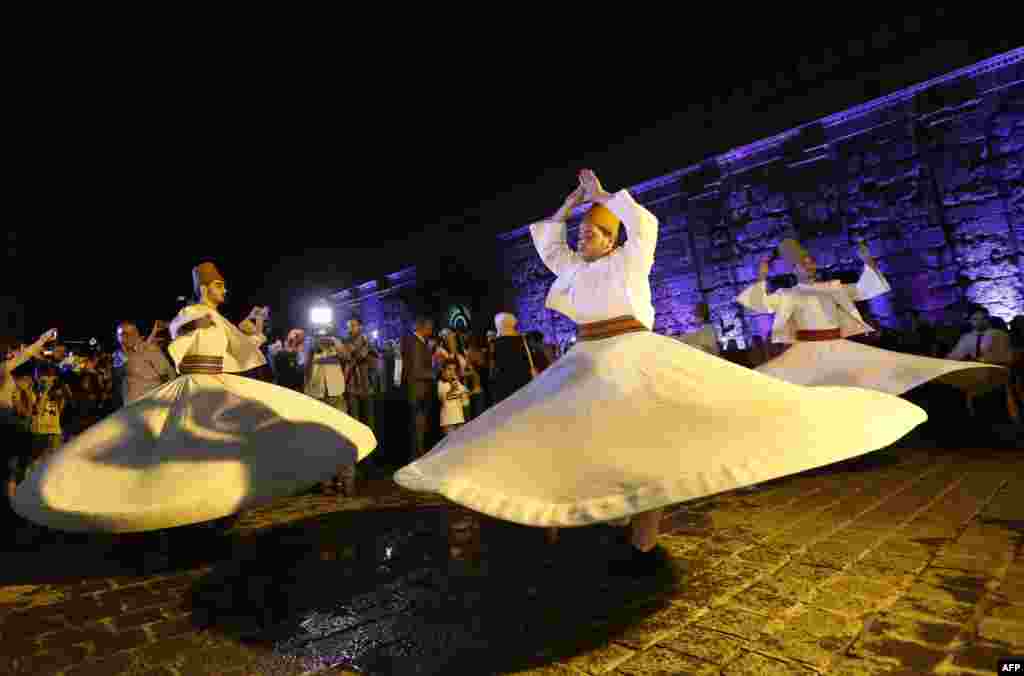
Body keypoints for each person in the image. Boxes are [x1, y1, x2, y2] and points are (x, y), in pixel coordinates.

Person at [395, 169, 926, 576]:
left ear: (611, 238)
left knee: (654, 442)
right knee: (570, 433)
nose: (583, 240)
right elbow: (550, 244)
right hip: (587, 361)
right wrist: (571, 205)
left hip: (633, 354)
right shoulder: (576, 268)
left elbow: (646, 224)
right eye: (582, 235)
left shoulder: (631, 259)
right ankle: (599, 511)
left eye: (593, 234)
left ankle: (643, 543)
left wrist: (605, 198)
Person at [12, 262, 377, 533]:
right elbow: (176, 329)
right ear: (207, 287)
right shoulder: (195, 312)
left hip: (218, 383)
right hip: (195, 386)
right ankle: (188, 516)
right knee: (189, 452)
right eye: (219, 286)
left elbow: (245, 344)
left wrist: (258, 326)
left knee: (234, 445)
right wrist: (194, 322)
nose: (224, 291)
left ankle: (221, 511)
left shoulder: (217, 318)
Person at [735, 239, 1006, 400]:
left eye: (811, 261)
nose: (810, 265)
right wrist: (761, 277)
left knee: (857, 387)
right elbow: (759, 303)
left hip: (837, 347)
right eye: (804, 262)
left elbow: (867, 288)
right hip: (806, 351)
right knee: (779, 386)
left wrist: (870, 263)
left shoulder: (834, 287)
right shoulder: (788, 293)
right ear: (794, 269)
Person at [400, 315, 435, 460]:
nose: (432, 330)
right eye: (430, 327)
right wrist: (433, 373)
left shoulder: (417, 342)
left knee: (418, 428)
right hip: (418, 391)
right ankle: (417, 460)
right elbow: (416, 371)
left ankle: (417, 458)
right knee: (418, 428)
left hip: (417, 391)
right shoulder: (415, 343)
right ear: (422, 327)